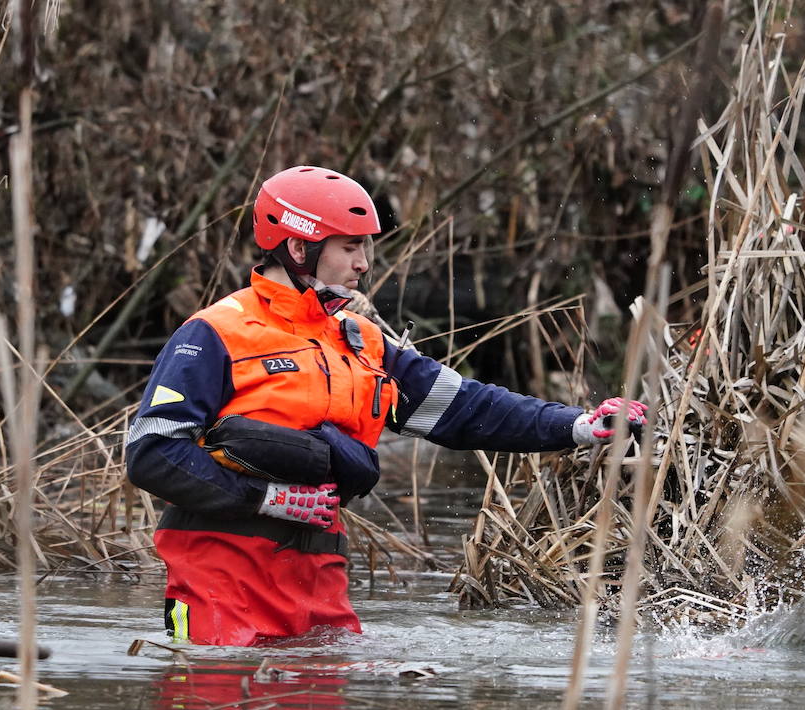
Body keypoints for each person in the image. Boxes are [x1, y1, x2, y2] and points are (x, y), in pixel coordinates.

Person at [125, 165, 647, 646]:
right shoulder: (214, 332)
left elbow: (463, 408)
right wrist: (264, 499)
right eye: (350, 246)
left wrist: (578, 425)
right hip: (223, 579)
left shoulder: (363, 340)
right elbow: (151, 454)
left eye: (366, 247)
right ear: (298, 247)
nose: (364, 264)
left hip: (320, 576)